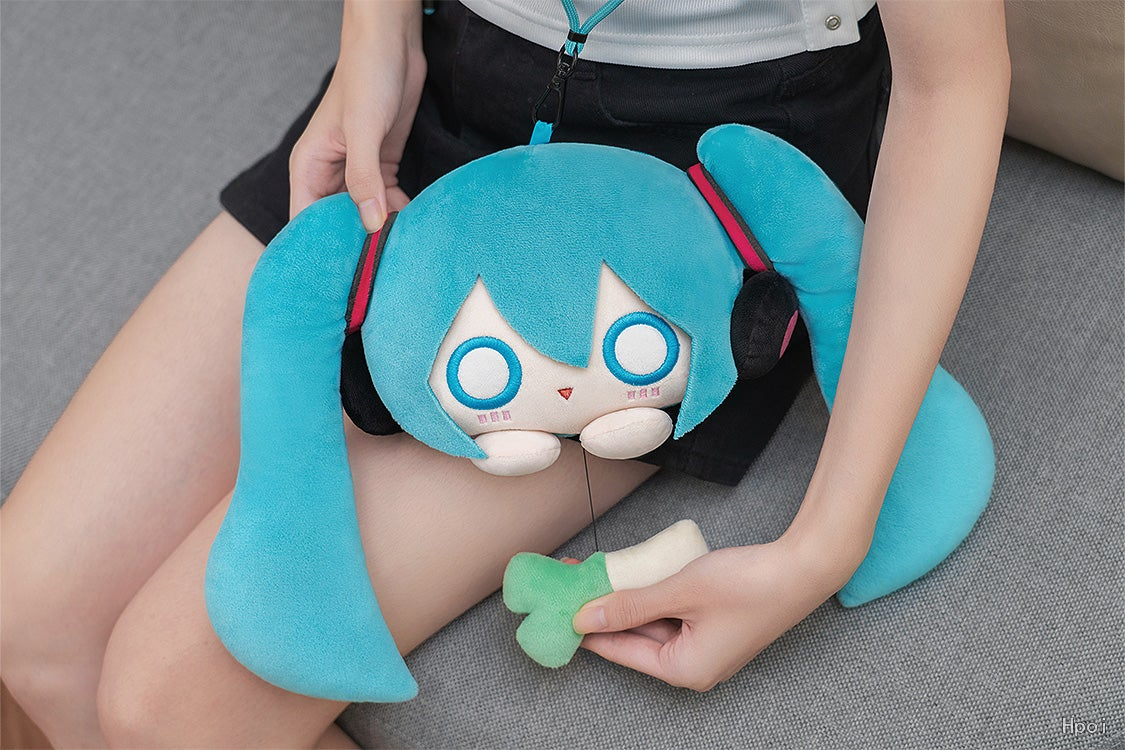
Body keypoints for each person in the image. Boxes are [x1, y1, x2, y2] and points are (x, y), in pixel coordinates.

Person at [0, 1, 1010, 747]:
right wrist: (376, 31)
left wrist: (823, 545)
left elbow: (949, 86)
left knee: (173, 706)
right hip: (441, 79)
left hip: (697, 187)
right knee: (32, 626)